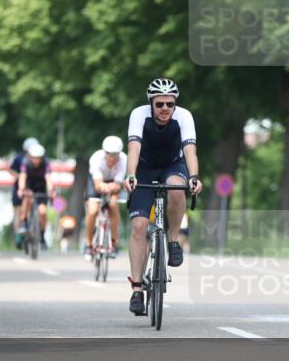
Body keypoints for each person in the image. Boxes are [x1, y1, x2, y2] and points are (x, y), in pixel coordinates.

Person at [122, 78, 203, 316]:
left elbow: (190, 150)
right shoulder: (139, 115)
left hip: (172, 165)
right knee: (138, 226)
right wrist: (130, 175)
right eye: (160, 104)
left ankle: (174, 240)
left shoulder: (184, 116)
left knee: (178, 188)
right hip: (145, 167)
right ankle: (137, 290)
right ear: (151, 104)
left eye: (170, 103)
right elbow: (134, 147)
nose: (165, 108)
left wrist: (194, 177)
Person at [84, 135, 127, 261]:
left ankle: (114, 242)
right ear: (105, 153)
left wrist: (111, 188)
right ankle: (88, 244)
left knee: (113, 205)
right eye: (110, 155)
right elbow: (98, 185)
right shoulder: (96, 158)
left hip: (113, 183)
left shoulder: (124, 160)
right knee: (92, 211)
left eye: (116, 155)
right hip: (96, 182)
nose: (113, 158)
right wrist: (107, 187)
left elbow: (118, 184)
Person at [16, 143, 55, 250]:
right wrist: (21, 188)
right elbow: (23, 177)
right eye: (34, 158)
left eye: (39, 158)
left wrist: (51, 190)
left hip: (41, 187)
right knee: (27, 199)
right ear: (30, 157)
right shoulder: (26, 163)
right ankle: (24, 221)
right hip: (29, 186)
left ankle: (42, 236)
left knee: (42, 212)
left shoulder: (46, 164)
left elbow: (48, 178)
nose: (36, 161)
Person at [11, 137, 39, 248]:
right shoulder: (19, 158)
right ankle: (19, 235)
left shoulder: (39, 159)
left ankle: (33, 226)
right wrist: (19, 177)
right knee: (18, 210)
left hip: (33, 186)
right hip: (20, 186)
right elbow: (11, 169)